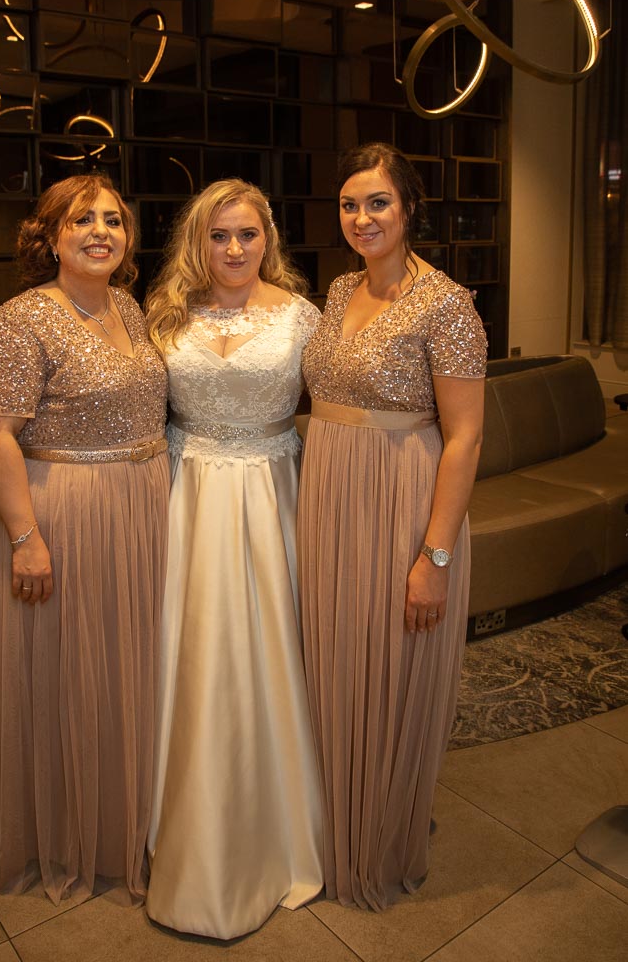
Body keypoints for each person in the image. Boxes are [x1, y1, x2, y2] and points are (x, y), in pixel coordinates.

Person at [298, 143, 486, 911]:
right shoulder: (340, 288)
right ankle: (331, 822)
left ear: (409, 207)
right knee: (334, 662)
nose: (361, 217)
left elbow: (464, 437)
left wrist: (432, 556)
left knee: (389, 670)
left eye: (377, 202)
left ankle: (377, 837)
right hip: (328, 494)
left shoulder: (447, 304)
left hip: (399, 501)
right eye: (349, 204)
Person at [0, 173, 169, 905]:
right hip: (66, 515)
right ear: (49, 236)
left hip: (142, 509)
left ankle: (127, 820)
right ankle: (69, 832)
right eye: (81, 220)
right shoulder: (21, 319)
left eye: (113, 220)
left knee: (128, 671)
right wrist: (25, 537)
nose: (99, 232)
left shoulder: (129, 307)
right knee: (71, 675)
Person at [144, 178, 323, 938]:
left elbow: (344, 405)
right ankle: (175, 818)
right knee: (187, 651)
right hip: (183, 496)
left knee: (266, 649)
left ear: (268, 239)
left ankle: (276, 820)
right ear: (198, 242)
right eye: (219, 235)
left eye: (248, 234)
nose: (235, 248)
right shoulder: (163, 314)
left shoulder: (304, 317)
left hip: (270, 494)